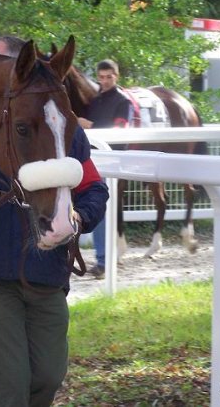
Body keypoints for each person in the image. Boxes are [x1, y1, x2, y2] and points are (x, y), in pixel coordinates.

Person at [0, 36, 109, 407]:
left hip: (49, 273)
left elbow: (94, 189)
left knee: (50, 375)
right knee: (10, 387)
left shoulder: (63, 129)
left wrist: (79, 217)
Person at [77, 59, 134, 278]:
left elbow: (120, 130)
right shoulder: (97, 100)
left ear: (116, 76)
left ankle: (105, 261)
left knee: (104, 209)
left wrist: (88, 125)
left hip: (114, 159)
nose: (105, 81)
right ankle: (103, 260)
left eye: (109, 77)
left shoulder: (123, 101)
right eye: (101, 77)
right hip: (96, 157)